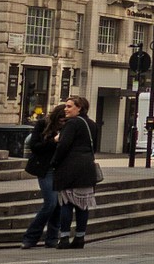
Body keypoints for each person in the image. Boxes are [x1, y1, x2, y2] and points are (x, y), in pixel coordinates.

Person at [50, 95, 99, 248]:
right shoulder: (92, 124)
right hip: (86, 167)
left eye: (69, 106)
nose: (66, 109)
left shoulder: (72, 124)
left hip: (70, 167)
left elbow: (63, 145)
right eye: (66, 106)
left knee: (67, 203)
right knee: (82, 204)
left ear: (79, 108)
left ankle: (64, 238)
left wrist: (54, 162)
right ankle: (80, 237)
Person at [20, 103, 67, 249]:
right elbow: (35, 146)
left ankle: (52, 237)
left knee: (59, 205)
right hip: (46, 169)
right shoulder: (42, 125)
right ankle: (31, 236)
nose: (62, 123)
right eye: (61, 120)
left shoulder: (70, 127)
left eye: (65, 121)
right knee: (51, 203)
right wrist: (54, 141)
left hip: (61, 169)